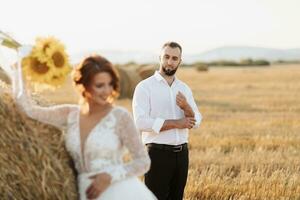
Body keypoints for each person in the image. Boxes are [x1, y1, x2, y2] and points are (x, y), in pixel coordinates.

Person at [12, 51, 157, 200]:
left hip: (119, 191)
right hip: (85, 192)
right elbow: (28, 109)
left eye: (110, 84)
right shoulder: (70, 114)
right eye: (100, 85)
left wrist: (109, 176)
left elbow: (143, 162)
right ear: (84, 86)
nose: (107, 91)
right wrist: (18, 69)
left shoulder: (120, 117)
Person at [132, 41, 202, 200]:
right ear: (160, 58)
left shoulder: (184, 88)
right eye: (166, 57)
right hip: (157, 154)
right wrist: (177, 123)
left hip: (182, 155)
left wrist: (186, 108)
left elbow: (197, 120)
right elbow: (141, 122)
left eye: (174, 58)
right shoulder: (144, 87)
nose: (170, 62)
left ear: (180, 61)